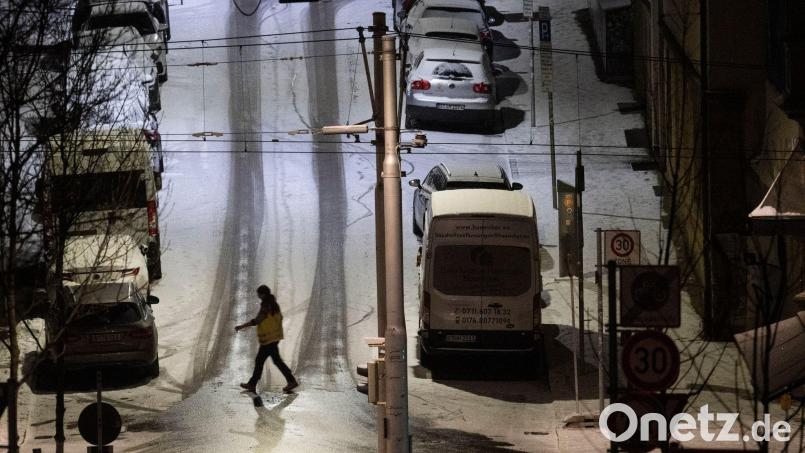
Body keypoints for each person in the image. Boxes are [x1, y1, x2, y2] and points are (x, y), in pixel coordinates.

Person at [235, 285, 299, 393]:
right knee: (272, 361)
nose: (258, 296)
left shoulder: (266, 305)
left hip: (268, 341)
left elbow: (257, 320)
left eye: (259, 294)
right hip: (274, 338)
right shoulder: (274, 304)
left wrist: (241, 326)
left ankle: (253, 384)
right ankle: (290, 380)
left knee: (263, 361)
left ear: (263, 294)